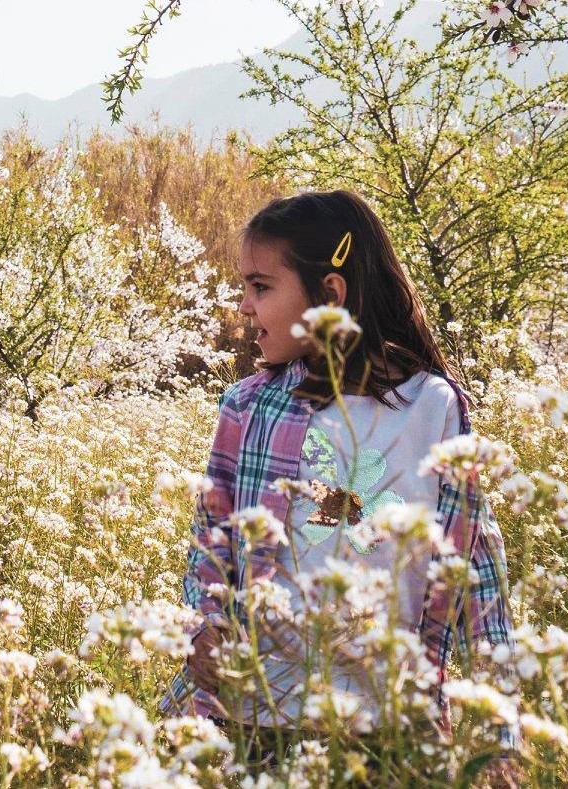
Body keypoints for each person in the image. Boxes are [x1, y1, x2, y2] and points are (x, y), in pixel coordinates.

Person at [164, 191, 513, 769]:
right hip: (251, 718)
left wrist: (500, 734)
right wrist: (201, 629)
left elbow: (474, 571)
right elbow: (211, 544)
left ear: (330, 293)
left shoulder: (433, 408)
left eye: (261, 287)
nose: (245, 308)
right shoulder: (249, 408)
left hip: (388, 727)